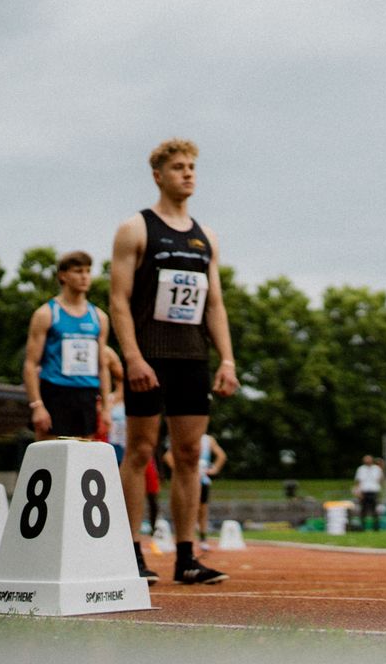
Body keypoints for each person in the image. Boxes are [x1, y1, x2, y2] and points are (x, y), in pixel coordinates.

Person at [110, 138, 240, 586]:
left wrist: (227, 359)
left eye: (192, 167)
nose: (188, 174)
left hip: (191, 358)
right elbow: (119, 301)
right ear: (158, 176)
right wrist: (132, 357)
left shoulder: (207, 237)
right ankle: (131, 552)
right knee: (140, 451)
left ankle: (186, 556)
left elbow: (215, 304)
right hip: (149, 357)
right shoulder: (136, 229)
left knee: (188, 455)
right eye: (179, 167)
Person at [23, 250, 110, 440]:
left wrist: (106, 409)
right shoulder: (46, 314)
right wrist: (37, 406)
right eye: (78, 271)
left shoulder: (99, 317)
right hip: (55, 391)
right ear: (63, 275)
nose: (84, 276)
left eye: (88, 271)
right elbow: (30, 364)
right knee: (48, 458)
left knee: (82, 459)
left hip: (86, 394)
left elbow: (103, 366)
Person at [354, 454, 385, 533]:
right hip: (364, 491)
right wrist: (358, 491)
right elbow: (358, 481)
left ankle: (376, 527)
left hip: (374, 491)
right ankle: (362, 527)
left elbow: (381, 480)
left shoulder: (377, 469)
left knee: (374, 510)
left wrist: (382, 468)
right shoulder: (361, 469)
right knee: (363, 510)